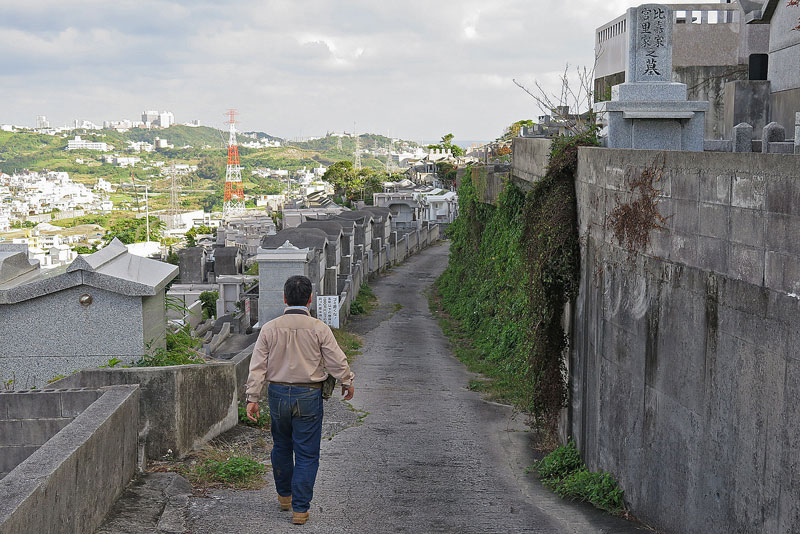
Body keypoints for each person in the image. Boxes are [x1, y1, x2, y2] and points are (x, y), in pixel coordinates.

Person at [245, 275, 355, 525]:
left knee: (282, 446)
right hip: (308, 394)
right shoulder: (319, 328)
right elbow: (337, 361)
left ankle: (284, 496)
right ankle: (300, 509)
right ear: (310, 299)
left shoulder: (270, 328)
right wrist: (347, 381)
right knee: (307, 453)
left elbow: (257, 366)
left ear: (284, 298)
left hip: (278, 393)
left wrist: (252, 397)